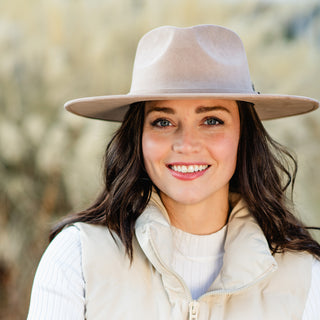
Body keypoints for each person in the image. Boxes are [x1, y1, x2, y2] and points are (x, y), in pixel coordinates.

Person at [27, 25, 320, 319]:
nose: (186, 144)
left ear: (244, 135)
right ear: (138, 136)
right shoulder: (78, 257)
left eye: (212, 121)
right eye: (163, 122)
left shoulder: (304, 276)